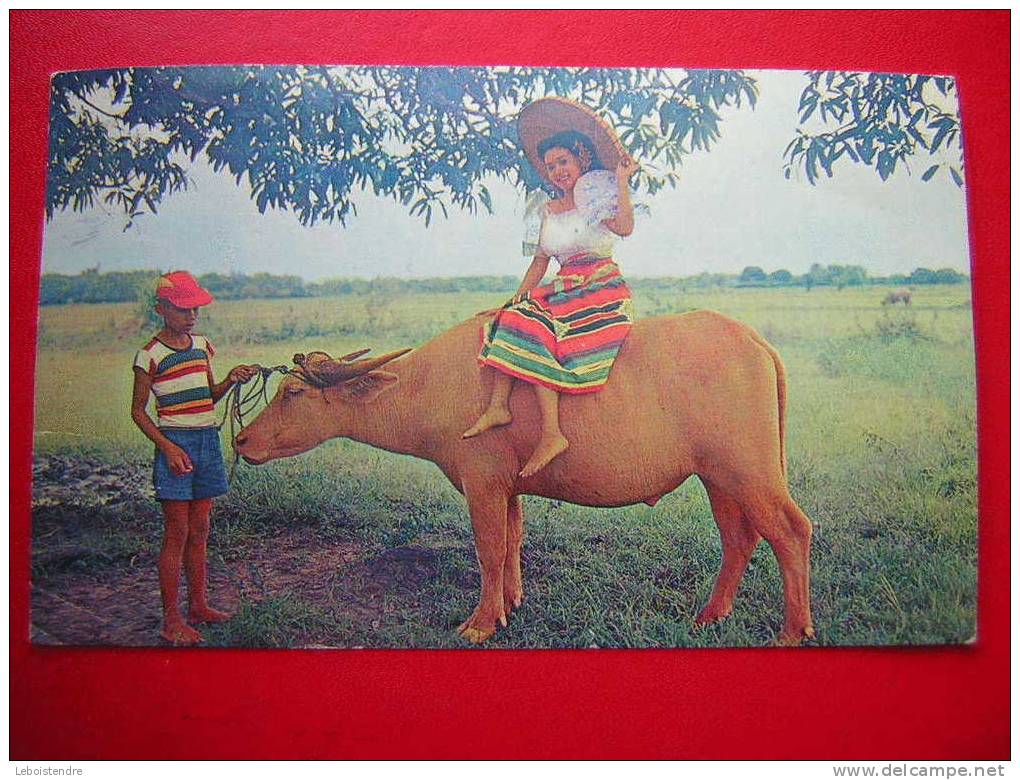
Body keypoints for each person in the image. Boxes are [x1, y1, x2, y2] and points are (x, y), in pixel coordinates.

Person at [464, 97, 639, 478]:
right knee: (514, 316)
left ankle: (552, 433)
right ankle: (498, 406)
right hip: (562, 288)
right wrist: (516, 297)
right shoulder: (541, 210)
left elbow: (625, 228)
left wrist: (622, 181)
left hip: (598, 288)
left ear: (580, 162)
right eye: (551, 165)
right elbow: (540, 263)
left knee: (548, 331)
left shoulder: (594, 197)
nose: (558, 171)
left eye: (564, 162)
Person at [130, 270, 258, 645]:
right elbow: (138, 411)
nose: (191, 316)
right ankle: (171, 619)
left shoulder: (202, 346)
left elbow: (207, 397)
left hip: (206, 440)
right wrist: (167, 448)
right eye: (182, 309)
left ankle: (199, 606)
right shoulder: (149, 355)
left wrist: (231, 379)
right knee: (178, 532)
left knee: (200, 529)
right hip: (175, 445)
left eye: (195, 309)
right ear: (161, 309)